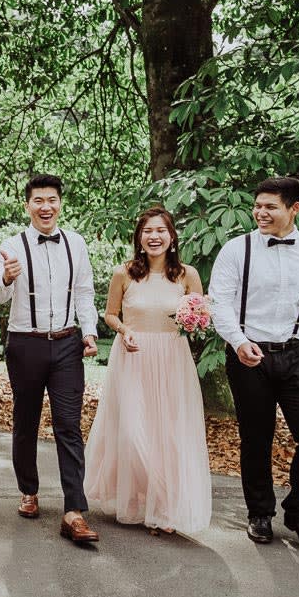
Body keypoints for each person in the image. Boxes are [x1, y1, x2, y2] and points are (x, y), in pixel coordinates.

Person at [209, 177, 299, 554]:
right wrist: (238, 342)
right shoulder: (237, 250)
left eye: (270, 206)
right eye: (257, 205)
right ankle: (259, 513)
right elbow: (218, 302)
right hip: (248, 354)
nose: (260, 212)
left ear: (294, 209)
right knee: (257, 437)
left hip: (296, 354)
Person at [84, 207, 212, 535]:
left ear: (172, 237)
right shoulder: (123, 273)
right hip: (133, 356)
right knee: (130, 431)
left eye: (160, 231)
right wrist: (123, 330)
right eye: (147, 231)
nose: (154, 237)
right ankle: (140, 496)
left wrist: (197, 321)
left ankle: (164, 507)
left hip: (172, 359)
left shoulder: (187, 275)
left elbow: (200, 317)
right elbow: (110, 314)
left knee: (167, 433)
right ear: (139, 238)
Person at [0, 174, 101, 544]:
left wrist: (89, 332)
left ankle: (74, 509)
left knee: (69, 424)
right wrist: (6, 278)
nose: (45, 206)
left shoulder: (76, 243)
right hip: (25, 343)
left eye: (52, 199)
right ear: (27, 205)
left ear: (59, 203)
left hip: (68, 343)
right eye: (38, 200)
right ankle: (29, 490)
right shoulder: (12, 244)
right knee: (25, 420)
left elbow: (85, 292)